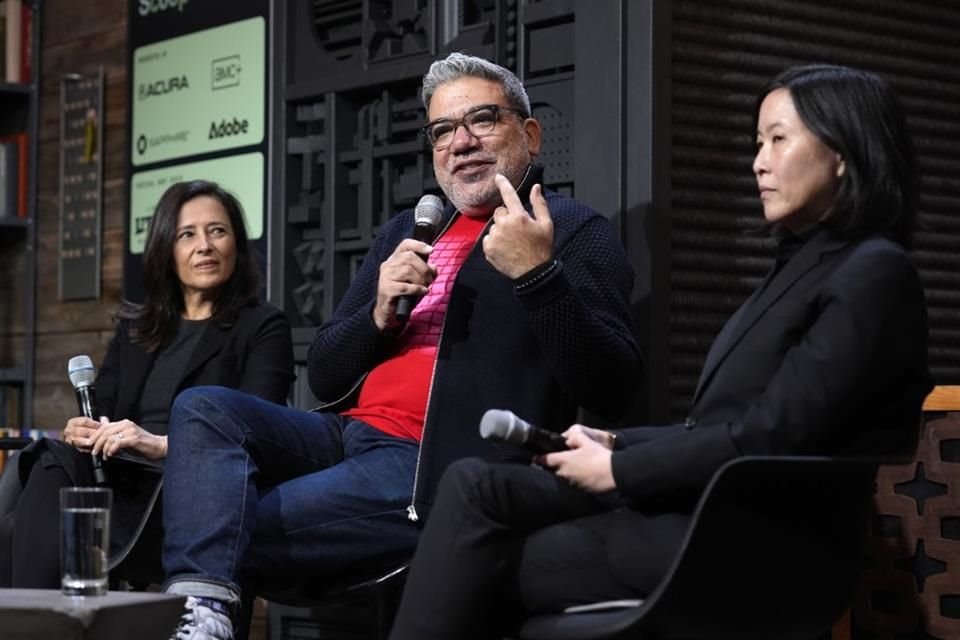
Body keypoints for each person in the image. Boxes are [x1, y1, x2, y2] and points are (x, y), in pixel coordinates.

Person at [388, 64, 935, 640]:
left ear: (844, 152)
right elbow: (718, 425)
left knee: (477, 559)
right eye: (757, 143)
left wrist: (619, 468)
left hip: (752, 539)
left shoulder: (876, 272)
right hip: (706, 507)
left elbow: (775, 436)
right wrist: (615, 442)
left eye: (778, 139)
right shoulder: (804, 266)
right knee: (480, 485)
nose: (759, 161)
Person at [160, 53, 642, 640]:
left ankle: (196, 618)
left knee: (226, 528)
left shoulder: (570, 229)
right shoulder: (407, 230)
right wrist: (378, 313)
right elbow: (327, 377)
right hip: (346, 437)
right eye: (442, 131)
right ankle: (201, 619)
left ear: (530, 134)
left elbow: (612, 387)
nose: (460, 143)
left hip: (428, 462)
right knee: (204, 408)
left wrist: (538, 275)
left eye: (482, 120)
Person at [0, 180, 294, 589]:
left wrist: (155, 443)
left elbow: (262, 434)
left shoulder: (263, 327)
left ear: (237, 246)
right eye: (186, 234)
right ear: (166, 251)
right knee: (50, 460)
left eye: (218, 231)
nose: (204, 245)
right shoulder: (137, 328)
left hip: (190, 489)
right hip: (116, 480)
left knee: (21, 514)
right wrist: (82, 429)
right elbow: (99, 406)